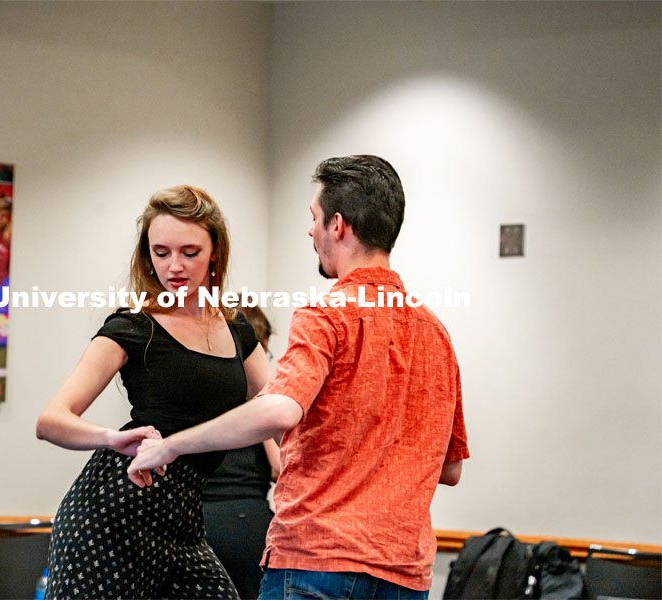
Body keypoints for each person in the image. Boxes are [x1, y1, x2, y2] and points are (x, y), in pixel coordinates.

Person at [129, 155, 470, 599]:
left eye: (314, 218)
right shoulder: (436, 333)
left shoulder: (326, 314)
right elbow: (451, 468)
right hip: (405, 572)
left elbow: (280, 409)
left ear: (339, 226)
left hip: (317, 562)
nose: (310, 231)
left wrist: (170, 446)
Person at [35, 185, 270, 599]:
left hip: (184, 526)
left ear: (215, 251)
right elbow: (51, 420)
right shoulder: (133, 326)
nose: (174, 266)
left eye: (189, 252)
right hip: (110, 520)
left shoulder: (237, 331)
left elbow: (282, 408)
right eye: (160, 253)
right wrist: (111, 438)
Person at [202, 305, 281, 600]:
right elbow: (280, 462)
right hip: (246, 521)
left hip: (198, 521)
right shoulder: (257, 399)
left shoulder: (201, 389)